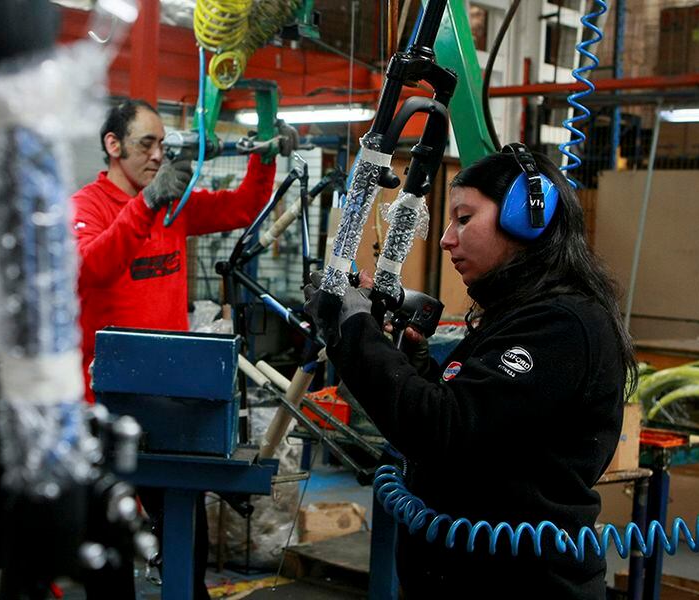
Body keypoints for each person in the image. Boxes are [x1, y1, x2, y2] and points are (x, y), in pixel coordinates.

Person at [305, 145, 637, 599]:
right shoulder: (516, 314)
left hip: (520, 585)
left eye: (464, 219)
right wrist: (414, 366)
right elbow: (484, 417)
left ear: (525, 218)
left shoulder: (562, 325)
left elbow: (445, 430)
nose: (446, 238)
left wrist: (354, 330)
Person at [71, 97, 283, 600]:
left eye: (162, 145)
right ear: (113, 145)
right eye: (146, 144)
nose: (157, 155)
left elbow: (242, 207)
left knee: (185, 530)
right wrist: (145, 207)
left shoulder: (176, 207)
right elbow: (90, 267)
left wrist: (267, 154)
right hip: (105, 404)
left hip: (169, 402)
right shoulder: (87, 206)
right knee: (112, 544)